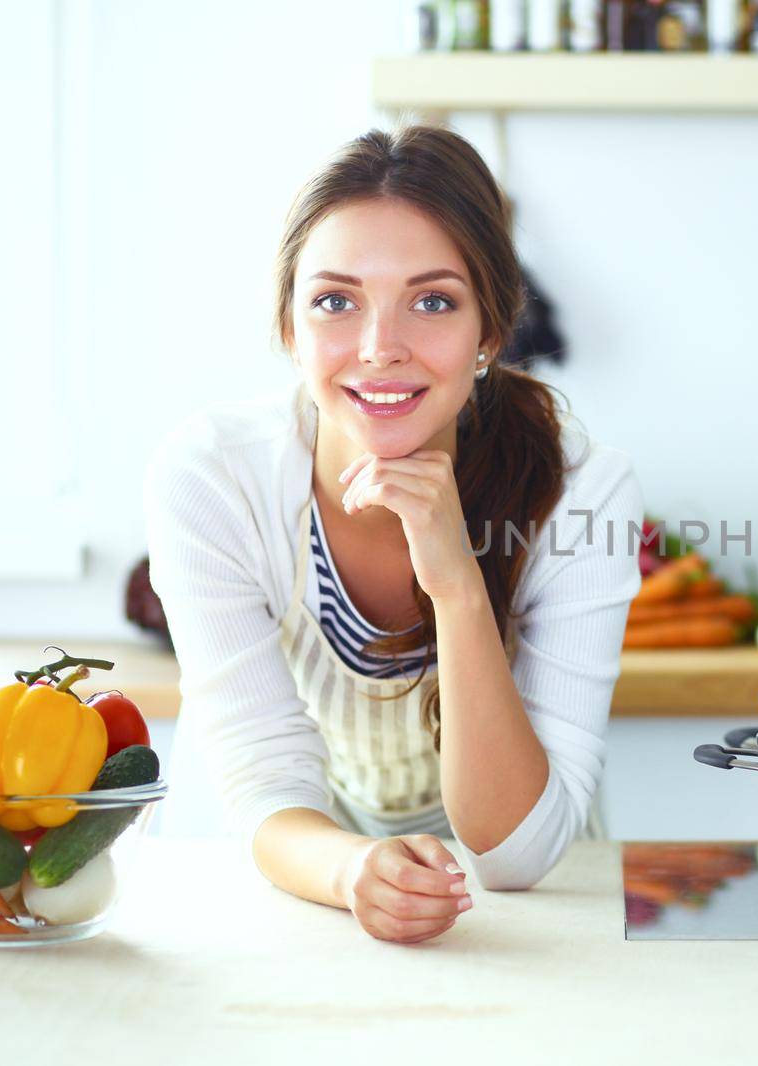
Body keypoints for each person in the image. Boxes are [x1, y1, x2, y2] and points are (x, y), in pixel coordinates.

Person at [143, 126, 643, 944]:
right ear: (288, 326)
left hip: (531, 913)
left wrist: (454, 581)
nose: (380, 349)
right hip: (285, 875)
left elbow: (516, 852)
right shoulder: (211, 476)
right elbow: (269, 786)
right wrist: (352, 870)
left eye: (433, 300)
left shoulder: (582, 491)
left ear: (490, 333)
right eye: (336, 301)